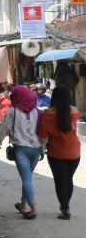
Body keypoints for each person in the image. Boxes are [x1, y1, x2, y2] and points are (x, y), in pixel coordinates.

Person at [0, 84, 44, 220]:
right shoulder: (38, 112)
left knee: (26, 178)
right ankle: (23, 205)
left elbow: (3, 126)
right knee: (27, 177)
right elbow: (42, 132)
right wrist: (43, 148)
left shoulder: (13, 111)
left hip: (21, 149)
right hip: (36, 149)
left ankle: (33, 208)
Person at [38, 85, 81, 220]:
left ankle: (65, 208)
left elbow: (42, 134)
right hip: (74, 151)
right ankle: (66, 206)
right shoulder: (74, 111)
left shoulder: (48, 114)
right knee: (68, 179)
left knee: (60, 180)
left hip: (56, 153)